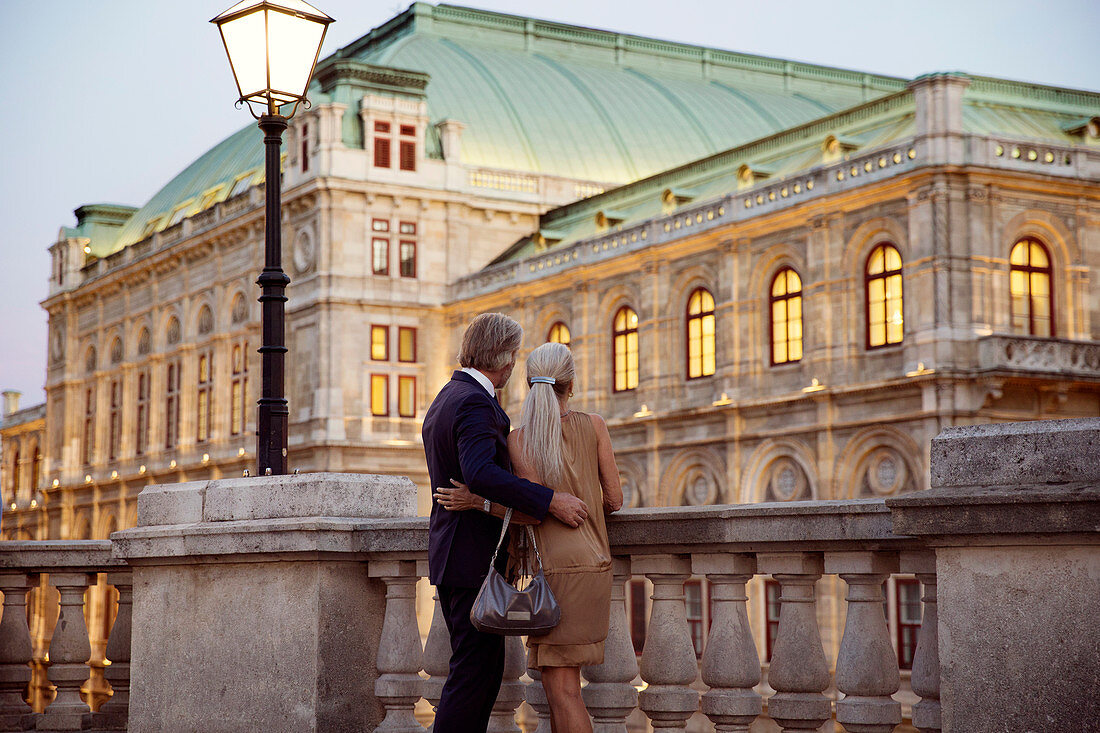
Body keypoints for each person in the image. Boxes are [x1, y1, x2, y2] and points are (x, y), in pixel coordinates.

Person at [436, 341, 624, 733]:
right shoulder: (596, 425)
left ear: (528, 382)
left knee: (563, 692)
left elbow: (528, 511)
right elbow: (614, 500)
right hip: (595, 565)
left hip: (555, 572)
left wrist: (477, 502)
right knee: (563, 691)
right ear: (570, 385)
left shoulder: (519, 440)